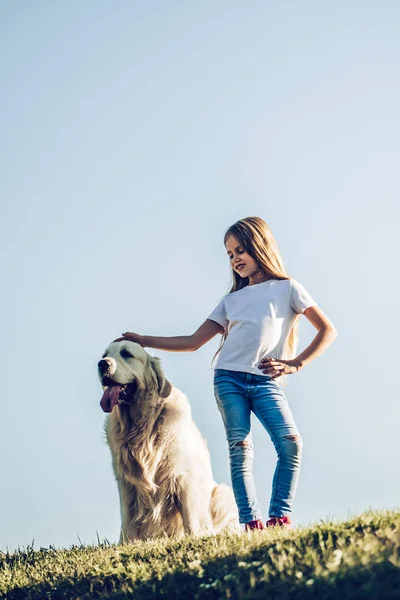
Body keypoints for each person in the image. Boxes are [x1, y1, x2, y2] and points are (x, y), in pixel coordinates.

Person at [114, 216, 337, 532]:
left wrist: (294, 363)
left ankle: (279, 516)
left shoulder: (289, 289)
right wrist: (145, 341)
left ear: (259, 247)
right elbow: (193, 342)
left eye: (240, 251)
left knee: (291, 444)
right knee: (240, 447)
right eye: (229, 255)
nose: (235, 260)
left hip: (265, 381)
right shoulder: (231, 301)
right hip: (228, 378)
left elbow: (327, 330)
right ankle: (251, 523)